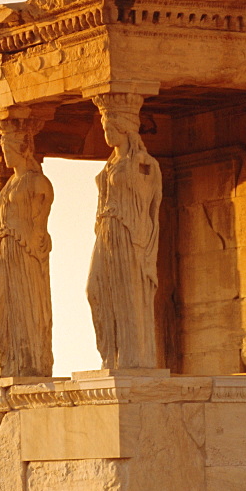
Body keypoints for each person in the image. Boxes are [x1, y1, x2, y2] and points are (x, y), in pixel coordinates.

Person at [87, 94, 162, 369]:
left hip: (129, 232)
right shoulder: (110, 165)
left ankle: (132, 359)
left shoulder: (143, 163)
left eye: (110, 126)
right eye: (104, 126)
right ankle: (110, 355)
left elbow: (150, 202)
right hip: (106, 230)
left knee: (128, 293)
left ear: (125, 128)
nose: (106, 132)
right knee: (95, 289)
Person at [0, 124, 54, 377]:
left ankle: (29, 363)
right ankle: (10, 361)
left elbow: (40, 223)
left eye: (8, 148)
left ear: (23, 150)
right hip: (5, 249)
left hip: (24, 251)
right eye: (3, 149)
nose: (5, 155)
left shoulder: (37, 182)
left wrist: (37, 239)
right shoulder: (11, 183)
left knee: (26, 307)